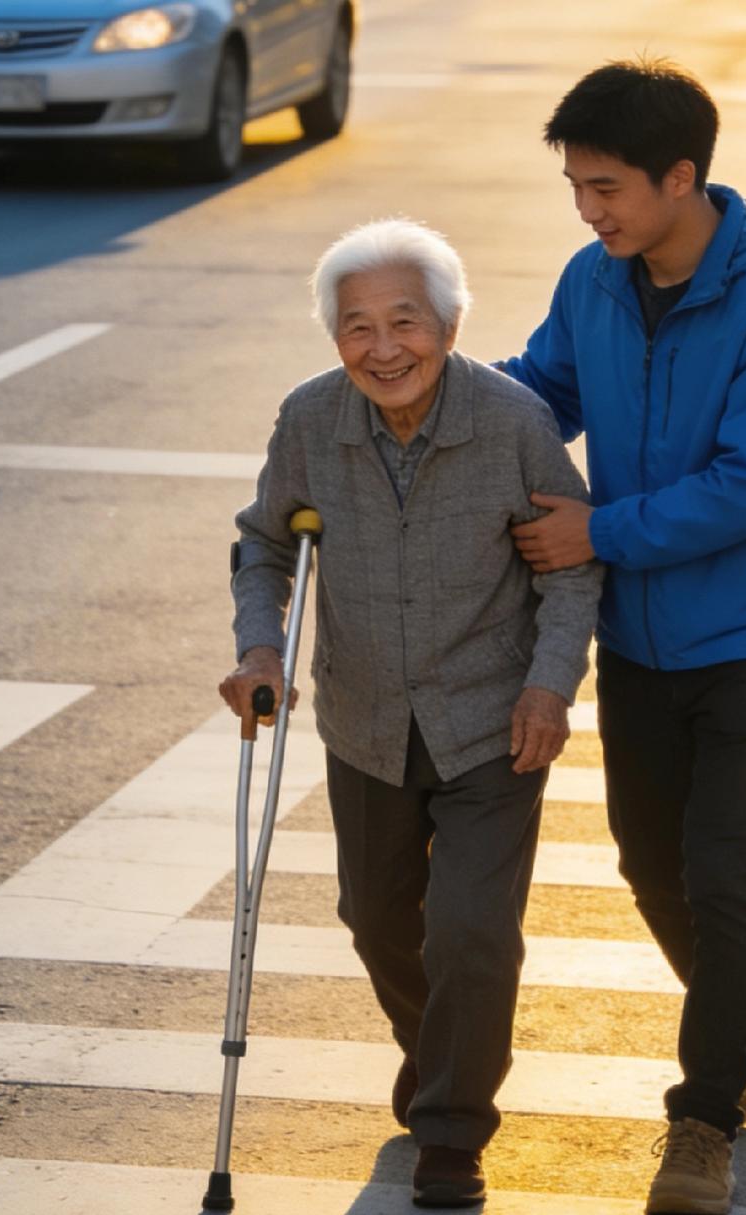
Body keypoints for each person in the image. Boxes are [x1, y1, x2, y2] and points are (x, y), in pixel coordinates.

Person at [498, 60, 746, 1215]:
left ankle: (699, 1123)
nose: (588, 212)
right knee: (650, 868)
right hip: (640, 633)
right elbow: (541, 391)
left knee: (724, 875)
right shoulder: (593, 280)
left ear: (679, 176)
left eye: (605, 188)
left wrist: (599, 534)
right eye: (575, 189)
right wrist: (416, 394)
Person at [220, 219, 601, 1209]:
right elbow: (264, 546)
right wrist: (258, 647)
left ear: (449, 322)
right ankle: (443, 1055)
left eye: (405, 322)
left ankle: (448, 1132)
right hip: (366, 722)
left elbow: (571, 571)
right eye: (356, 327)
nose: (382, 348)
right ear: (331, 335)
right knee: (376, 916)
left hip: (491, 723)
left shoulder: (511, 421)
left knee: (469, 932)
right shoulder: (309, 421)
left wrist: (549, 686)